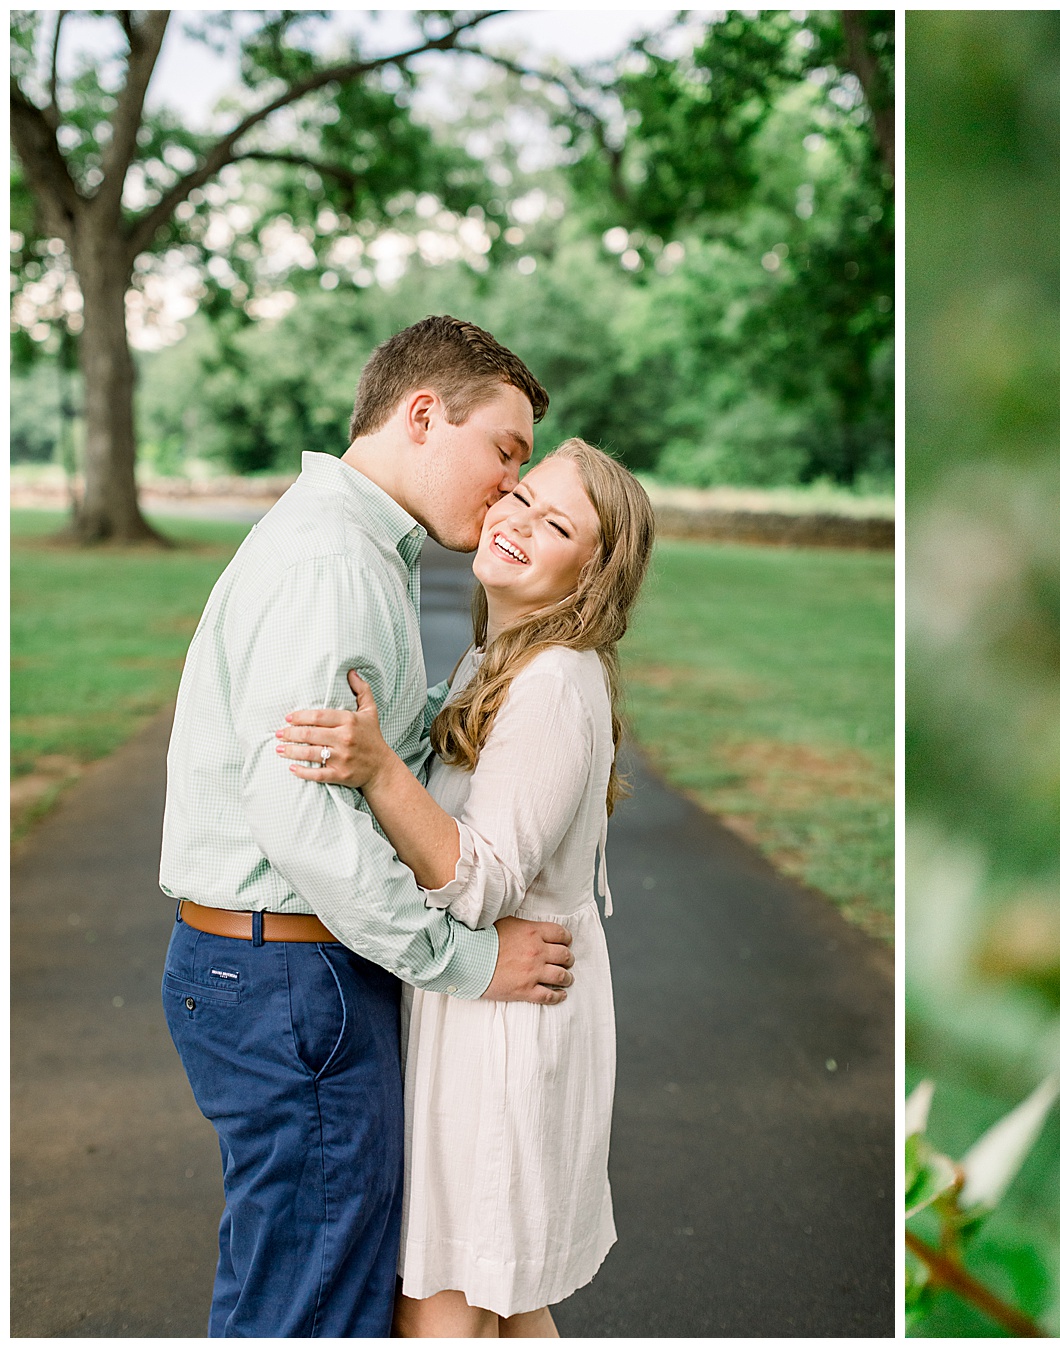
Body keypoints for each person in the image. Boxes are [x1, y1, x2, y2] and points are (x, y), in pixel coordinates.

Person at [159, 316, 578, 1338]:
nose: (508, 486)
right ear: (423, 415)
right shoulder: (333, 561)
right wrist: (467, 959)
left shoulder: (356, 546)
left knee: (304, 1280)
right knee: (309, 1305)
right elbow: (302, 819)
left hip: (283, 971)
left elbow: (372, 757)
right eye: (505, 452)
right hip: (291, 976)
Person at [274, 438, 655, 1336]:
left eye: (555, 524)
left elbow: (481, 882)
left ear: (594, 574)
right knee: (506, 1310)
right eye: (521, 496)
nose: (517, 520)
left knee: (443, 1309)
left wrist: (377, 769)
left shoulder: (553, 682)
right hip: (482, 1007)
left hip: (503, 1027)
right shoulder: (502, 657)